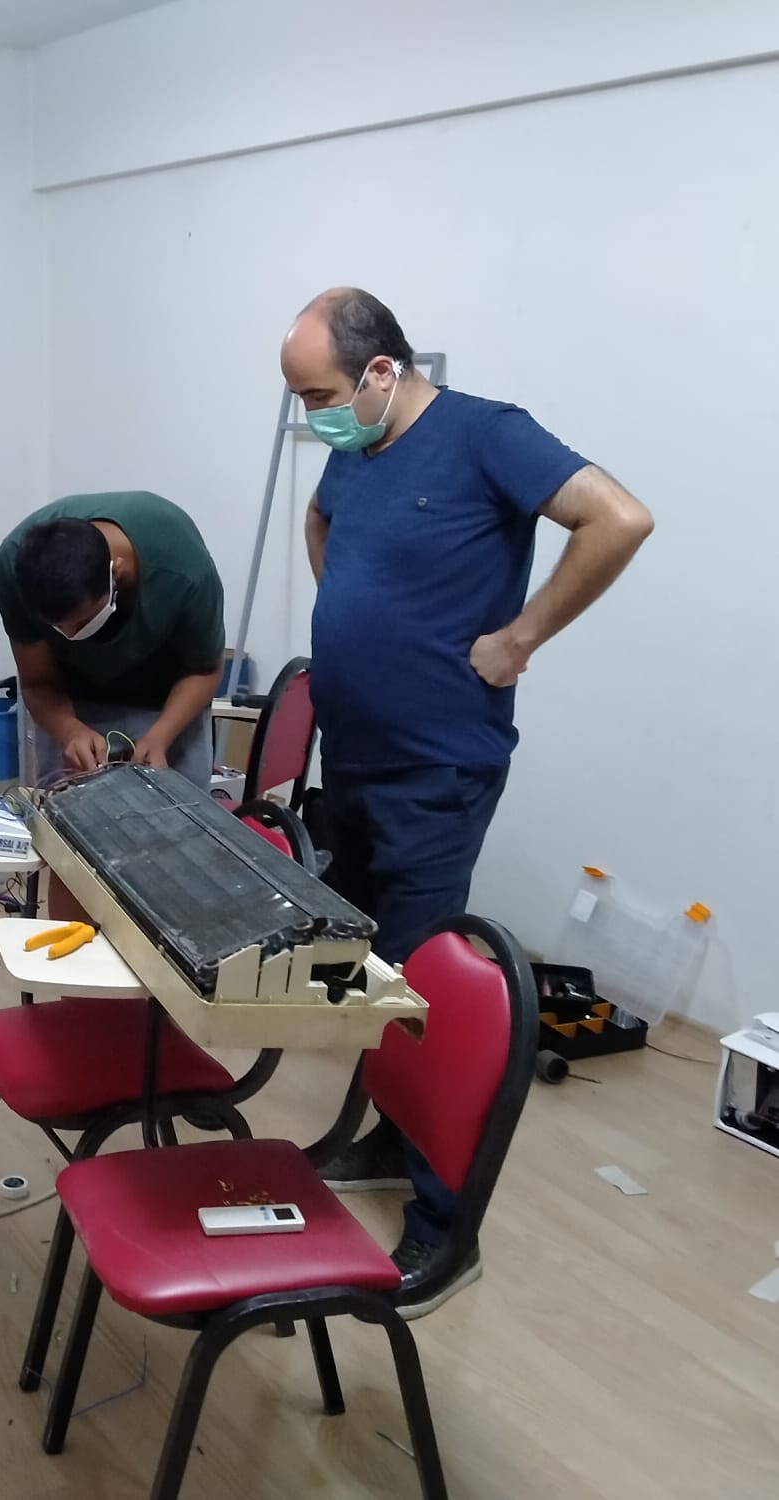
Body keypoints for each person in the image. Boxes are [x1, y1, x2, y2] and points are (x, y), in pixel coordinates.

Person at [280, 288, 653, 1310]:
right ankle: (387, 1142)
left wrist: (519, 639)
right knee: (379, 981)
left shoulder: (489, 435)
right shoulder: (358, 445)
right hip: (357, 758)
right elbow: (322, 517)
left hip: (436, 770)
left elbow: (619, 518)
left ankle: (447, 1231)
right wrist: (346, 606)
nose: (312, 417)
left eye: (319, 396)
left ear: (381, 372)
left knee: (432, 999)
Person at [0, 493, 225, 790]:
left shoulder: (185, 571)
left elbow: (204, 669)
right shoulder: (14, 566)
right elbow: (37, 683)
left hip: (169, 697)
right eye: (57, 628)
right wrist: (69, 730)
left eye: (81, 622)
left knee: (176, 805)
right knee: (66, 803)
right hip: (70, 698)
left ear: (116, 572)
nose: (71, 636)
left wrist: (160, 736)